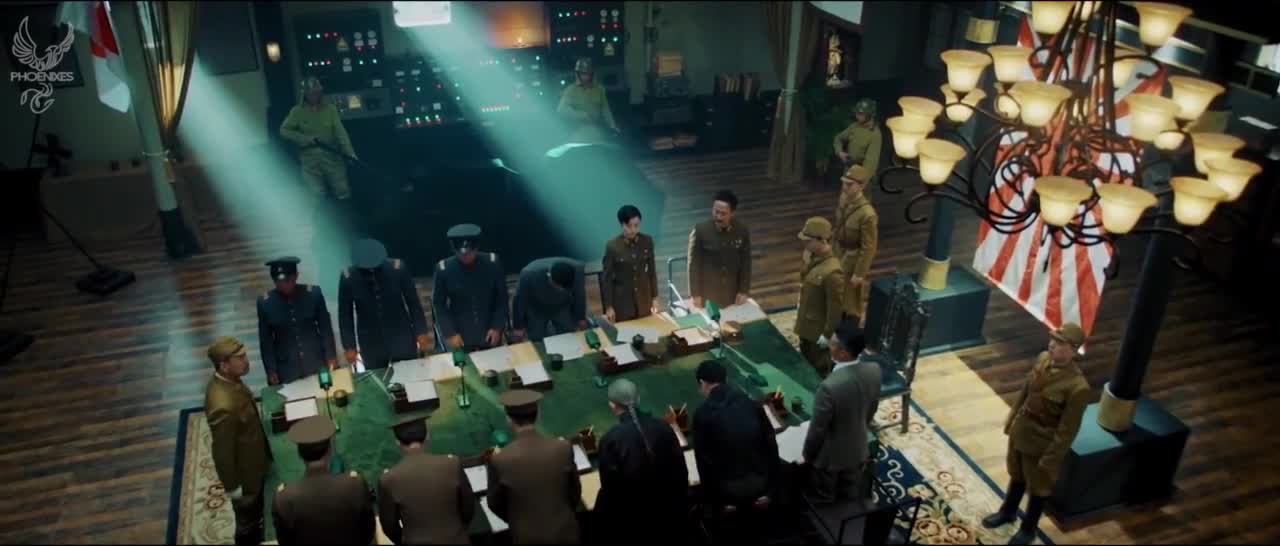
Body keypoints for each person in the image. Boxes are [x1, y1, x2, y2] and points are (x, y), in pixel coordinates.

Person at [982, 323, 1091, 545]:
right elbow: (1026, 391)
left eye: (1059, 343)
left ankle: (1028, 529)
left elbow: (1067, 430)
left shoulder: (1077, 387)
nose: (1052, 345)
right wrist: (1012, 418)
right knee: (1016, 474)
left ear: (1073, 350)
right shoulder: (1042, 359)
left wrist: (1051, 459)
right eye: (1053, 340)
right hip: (1022, 429)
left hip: (1042, 443)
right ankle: (1008, 511)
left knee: (1038, 488)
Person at [594, 379, 689, 543]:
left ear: (612, 405)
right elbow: (682, 472)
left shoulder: (611, 439)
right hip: (672, 515)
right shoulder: (664, 428)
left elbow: (610, 489)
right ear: (638, 399)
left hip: (633, 523)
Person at [801, 318, 882, 505]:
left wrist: (808, 455)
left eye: (832, 344)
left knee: (824, 501)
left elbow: (818, 429)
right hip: (859, 449)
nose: (828, 346)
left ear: (843, 353)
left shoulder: (829, 387)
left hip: (830, 459)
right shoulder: (874, 370)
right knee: (849, 497)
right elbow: (871, 409)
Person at [486, 390, 582, 544]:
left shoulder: (499, 460)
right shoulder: (563, 447)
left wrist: (517, 520)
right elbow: (575, 491)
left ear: (509, 419)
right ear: (538, 415)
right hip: (565, 531)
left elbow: (495, 504)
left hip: (527, 536)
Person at [692, 361, 779, 522]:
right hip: (762, 484)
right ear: (725, 379)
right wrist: (771, 491)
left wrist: (719, 502)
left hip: (729, 493)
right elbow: (771, 446)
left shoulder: (701, 414)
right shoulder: (751, 403)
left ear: (702, 383)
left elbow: (704, 464)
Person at [204, 337, 271, 546]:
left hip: (255, 459)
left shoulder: (230, 380)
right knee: (247, 523)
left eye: (245, 355)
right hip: (246, 476)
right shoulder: (222, 405)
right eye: (240, 358)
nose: (246, 360)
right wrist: (233, 487)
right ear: (224, 365)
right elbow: (222, 452)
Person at [272, 416, 376, 545]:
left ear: (299, 455)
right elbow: (368, 532)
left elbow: (284, 542)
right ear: (330, 451)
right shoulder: (355, 485)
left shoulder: (283, 499)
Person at [378, 416, 476, 545]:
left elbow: (390, 526)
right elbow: (468, 508)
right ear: (428, 436)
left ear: (397, 441)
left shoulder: (388, 479)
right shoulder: (452, 464)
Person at [338, 239, 430, 370]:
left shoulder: (397, 268)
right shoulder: (348, 277)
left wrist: (421, 331)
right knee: (378, 379)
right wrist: (349, 346)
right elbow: (345, 316)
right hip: (370, 342)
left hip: (401, 336)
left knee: (411, 374)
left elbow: (413, 303)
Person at [256, 257, 338, 385]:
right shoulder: (265, 303)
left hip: (316, 359)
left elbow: (325, 327)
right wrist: (271, 370)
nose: (284, 285)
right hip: (287, 366)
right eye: (278, 282)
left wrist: (331, 356)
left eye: (288, 281)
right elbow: (266, 340)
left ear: (296, 276)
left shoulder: (313, 294)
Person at [432, 224, 509, 351]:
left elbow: (502, 299)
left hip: (489, 330)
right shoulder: (444, 269)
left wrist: (496, 327)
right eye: (461, 253)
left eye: (470, 252)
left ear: (476, 248)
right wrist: (450, 332)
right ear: (454, 250)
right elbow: (439, 304)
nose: (466, 256)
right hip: (460, 333)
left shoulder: (492, 263)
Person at [280, 76, 356, 202]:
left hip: (331, 155)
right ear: (305, 94)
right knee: (315, 194)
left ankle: (345, 211)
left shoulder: (330, 109)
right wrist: (304, 138)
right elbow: (284, 130)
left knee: (342, 190)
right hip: (309, 158)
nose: (314, 96)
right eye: (311, 93)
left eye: (316, 93)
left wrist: (349, 152)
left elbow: (340, 133)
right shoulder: (297, 111)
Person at [794, 217, 846, 376]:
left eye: (809, 241)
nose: (805, 244)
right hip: (807, 326)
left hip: (817, 333)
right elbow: (805, 280)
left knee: (819, 370)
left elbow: (835, 308)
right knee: (806, 364)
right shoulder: (814, 259)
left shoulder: (832, 272)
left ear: (821, 240)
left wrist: (827, 335)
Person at [687, 190, 752, 310]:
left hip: (732, 294)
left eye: (723, 213)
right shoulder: (701, 230)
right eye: (716, 212)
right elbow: (693, 264)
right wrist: (695, 294)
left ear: (732, 213)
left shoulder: (742, 231)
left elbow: (746, 262)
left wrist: (744, 290)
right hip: (708, 294)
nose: (718, 217)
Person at [832, 165, 879, 326]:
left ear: (862, 186)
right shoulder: (843, 200)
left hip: (853, 257)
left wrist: (859, 273)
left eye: (850, 184)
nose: (845, 187)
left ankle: (850, 325)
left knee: (850, 297)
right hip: (838, 251)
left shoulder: (867, 214)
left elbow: (869, 246)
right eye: (844, 183)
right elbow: (837, 226)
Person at [602, 205, 659, 323]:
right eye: (629, 226)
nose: (633, 230)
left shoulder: (647, 241)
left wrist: (655, 297)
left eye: (636, 225)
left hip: (644, 300)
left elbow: (652, 272)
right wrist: (609, 306)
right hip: (623, 304)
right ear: (622, 224)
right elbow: (607, 279)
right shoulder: (612, 246)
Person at [512, 257, 587, 342]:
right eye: (557, 287)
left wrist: (580, 317)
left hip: (562, 306)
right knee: (537, 339)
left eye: (563, 288)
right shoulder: (528, 274)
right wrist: (518, 326)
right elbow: (519, 300)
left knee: (568, 336)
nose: (560, 290)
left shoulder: (578, 270)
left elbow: (579, 293)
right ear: (549, 276)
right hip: (536, 308)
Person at [557, 57, 619, 143]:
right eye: (583, 74)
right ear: (578, 74)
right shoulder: (571, 90)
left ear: (591, 74)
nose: (585, 76)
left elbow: (606, 110)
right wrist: (579, 115)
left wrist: (612, 126)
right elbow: (561, 109)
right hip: (577, 133)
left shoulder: (599, 89)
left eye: (587, 74)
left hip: (596, 132)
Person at [832, 98, 883, 183]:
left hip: (862, 177)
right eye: (856, 112)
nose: (857, 115)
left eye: (860, 113)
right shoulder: (854, 126)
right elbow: (838, 138)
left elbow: (870, 164)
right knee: (844, 192)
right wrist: (840, 152)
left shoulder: (875, 134)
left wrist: (860, 182)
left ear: (869, 115)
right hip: (848, 171)